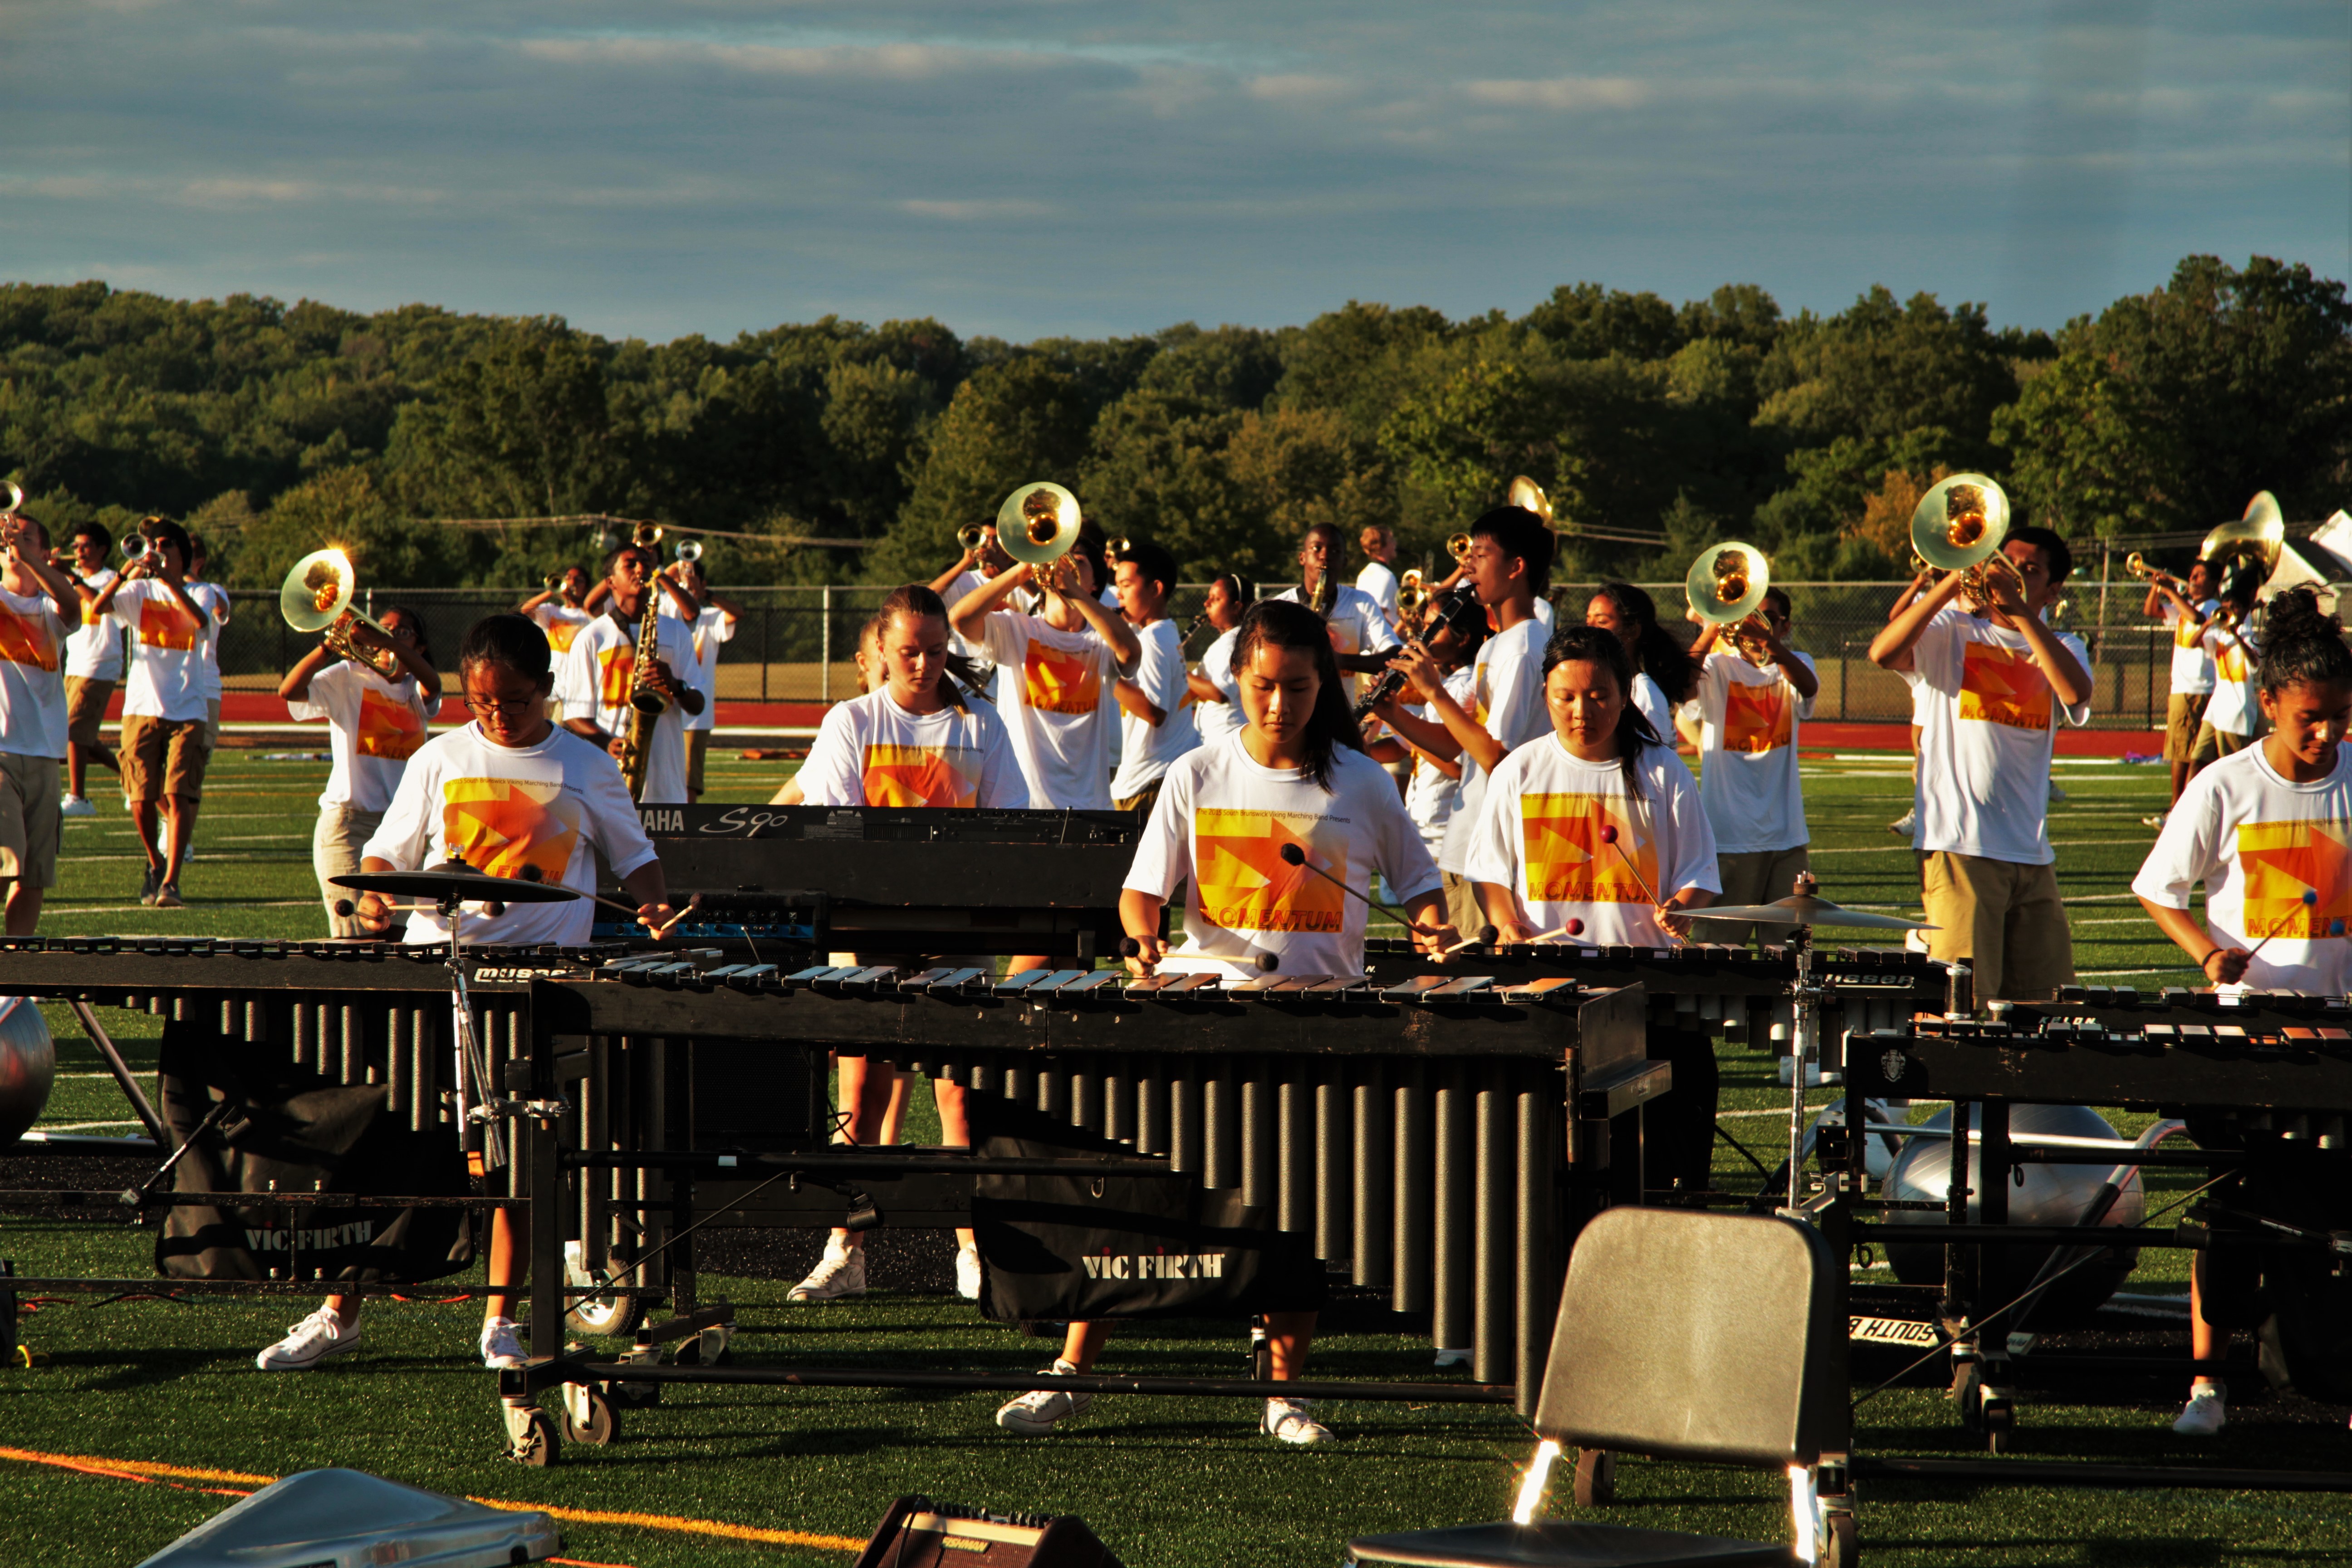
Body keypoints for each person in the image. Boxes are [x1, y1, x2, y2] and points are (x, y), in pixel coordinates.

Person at [988, 600, 1452, 1446]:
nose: (1279, 704)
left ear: (1323, 685)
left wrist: (1430, 924)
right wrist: (1143, 936)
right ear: (1237, 678)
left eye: (1299, 688)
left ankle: (1282, 1394)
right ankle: (1073, 1372)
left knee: (1299, 1213)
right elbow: (1141, 892)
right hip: (1206, 1018)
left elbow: (1420, 883)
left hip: (1319, 1028)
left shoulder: (1360, 781)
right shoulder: (1197, 772)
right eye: (1264, 685)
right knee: (1140, 1197)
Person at [255, 613, 674, 1373]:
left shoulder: (586, 766)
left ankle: (501, 1321)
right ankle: (340, 1313)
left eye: (515, 702)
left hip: (537, 992)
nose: (497, 715)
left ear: (546, 689)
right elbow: (385, 856)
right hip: (438, 980)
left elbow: (636, 858)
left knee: (519, 1160)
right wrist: (375, 897)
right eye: (482, 702)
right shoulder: (439, 757)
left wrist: (653, 906)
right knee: (390, 1146)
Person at [2130, 585, 2352, 1437]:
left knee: (2334, 1215)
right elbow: (2158, 889)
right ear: (2268, 703)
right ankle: (2206, 1385)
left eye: (2339, 717)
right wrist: (2206, 953)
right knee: (2232, 1212)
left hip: (2338, 1036)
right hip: (2250, 1041)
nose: (2325, 733)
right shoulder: (2224, 786)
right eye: (2308, 718)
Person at [784, 585, 1026, 1306]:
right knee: (859, 1102)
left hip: (959, 932)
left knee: (961, 1102)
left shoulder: (983, 724)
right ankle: (846, 1251)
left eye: (936, 650)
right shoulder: (852, 720)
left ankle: (973, 1249)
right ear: (880, 652)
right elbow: (834, 824)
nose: (923, 664)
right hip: (870, 930)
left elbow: (1010, 825)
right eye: (908, 651)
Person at [1464, 623, 1720, 1193]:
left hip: (1645, 994)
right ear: (1546, 697)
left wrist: (1681, 905)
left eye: (1600, 696)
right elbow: (1489, 873)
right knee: (1548, 1167)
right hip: (1549, 992)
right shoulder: (1519, 771)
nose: (1583, 711)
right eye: (1567, 697)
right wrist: (1507, 922)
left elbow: (1700, 874)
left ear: (1626, 694)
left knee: (1651, 1162)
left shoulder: (1662, 771)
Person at [1868, 522, 2092, 1004]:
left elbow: (2076, 694)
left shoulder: (2065, 646)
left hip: (2032, 853)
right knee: (1962, 1008)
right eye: (2006, 561)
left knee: (2048, 1004)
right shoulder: (1953, 630)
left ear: (2053, 590)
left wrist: (2020, 611)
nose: (2013, 573)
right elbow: (1883, 652)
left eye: (2030, 570)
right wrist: (1954, 577)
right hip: (1960, 847)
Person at [1369, 505, 1554, 942]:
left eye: (1481, 555)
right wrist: (1392, 712)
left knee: (1463, 975)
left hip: (1491, 847)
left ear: (1516, 567)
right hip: (1467, 841)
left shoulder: (1525, 647)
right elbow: (1458, 745)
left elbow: (1496, 757)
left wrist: (1435, 692)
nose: (1468, 567)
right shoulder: (1499, 645)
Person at [948, 528, 1140, 811]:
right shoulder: (1016, 629)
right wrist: (1022, 569)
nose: (1064, 563)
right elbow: (960, 618)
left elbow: (1131, 654)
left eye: (1079, 560)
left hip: (1090, 808)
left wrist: (1072, 589)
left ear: (1095, 584)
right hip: (1021, 805)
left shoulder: (1102, 641)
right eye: (1058, 556)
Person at [279, 607, 440, 939]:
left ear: (420, 646)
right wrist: (329, 646)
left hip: (402, 831)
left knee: (402, 938)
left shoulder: (415, 688)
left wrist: (387, 642)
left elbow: (434, 684)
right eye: (384, 628)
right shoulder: (348, 676)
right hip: (349, 827)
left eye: (402, 632)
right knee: (356, 938)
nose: (390, 635)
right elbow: (289, 691)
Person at [90, 518, 220, 909]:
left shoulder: (201, 591)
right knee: (140, 798)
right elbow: (98, 607)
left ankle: (171, 883)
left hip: (188, 707)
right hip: (141, 706)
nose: (157, 551)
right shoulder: (139, 590)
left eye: (165, 545)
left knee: (178, 794)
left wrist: (168, 580)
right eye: (152, 545)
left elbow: (200, 623)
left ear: (182, 553)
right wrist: (125, 572)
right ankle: (155, 861)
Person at [1680, 588, 1818, 943]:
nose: (1755, 623)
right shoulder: (1716, 666)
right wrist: (1712, 627)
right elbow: (1681, 686)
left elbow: (1808, 687)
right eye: (1749, 615)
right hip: (1729, 838)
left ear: (1785, 626)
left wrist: (1769, 644)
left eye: (1767, 618)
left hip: (1787, 837)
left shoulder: (1796, 662)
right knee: (1720, 949)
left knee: (1787, 948)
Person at [559, 544, 703, 805]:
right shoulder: (592, 636)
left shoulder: (677, 632)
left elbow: (698, 704)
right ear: (610, 581)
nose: (641, 569)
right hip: (610, 779)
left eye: (645, 564)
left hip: (666, 782)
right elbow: (574, 715)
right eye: (630, 565)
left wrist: (674, 684)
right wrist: (607, 742)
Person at [1363, 590, 1486, 863]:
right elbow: (1402, 748)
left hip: (1444, 829)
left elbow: (1455, 766)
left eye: (1434, 628)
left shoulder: (1465, 686)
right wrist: (1355, 749)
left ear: (1463, 639)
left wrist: (1396, 720)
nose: (1423, 636)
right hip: (1422, 824)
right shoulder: (1444, 685)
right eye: (1425, 626)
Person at [0, 515, 79, 935]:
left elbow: (73, 604)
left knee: (34, 876)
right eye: (9, 539)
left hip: (46, 756)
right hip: (2, 754)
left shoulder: (50, 610)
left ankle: (16, 969)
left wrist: (28, 558)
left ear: (45, 553)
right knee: (3, 863)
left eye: (27, 538)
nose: (14, 543)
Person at [1107, 541, 1199, 817]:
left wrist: (1102, 672)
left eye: (1126, 585)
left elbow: (1155, 712)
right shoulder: (1163, 632)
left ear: (1156, 589)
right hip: (1156, 774)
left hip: (1149, 780)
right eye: (1117, 585)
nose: (1118, 595)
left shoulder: (1153, 639)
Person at [1272, 522, 1397, 704]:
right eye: (1317, 549)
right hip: (1292, 710)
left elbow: (1395, 655)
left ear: (1344, 562)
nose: (1325, 556)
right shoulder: (1279, 606)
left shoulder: (1361, 603)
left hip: (1342, 712)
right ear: (1302, 557)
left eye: (1335, 551)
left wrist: (1338, 660)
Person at [658, 554, 741, 804]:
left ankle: (685, 827)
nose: (685, 584)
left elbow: (737, 613)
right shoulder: (665, 615)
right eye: (681, 580)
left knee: (688, 783)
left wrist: (705, 594)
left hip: (696, 715)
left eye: (692, 579)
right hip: (662, 708)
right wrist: (672, 571)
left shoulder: (710, 618)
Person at [2145, 558, 2221, 828]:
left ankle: (2176, 807)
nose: (2193, 580)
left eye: (2200, 576)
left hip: (2197, 687)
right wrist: (2157, 587)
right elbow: (2151, 611)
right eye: (2192, 575)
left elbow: (2197, 619)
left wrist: (2170, 591)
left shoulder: (2211, 608)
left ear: (2213, 583)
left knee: (2183, 751)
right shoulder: (2185, 606)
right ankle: (2181, 807)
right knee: (2183, 749)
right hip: (2183, 687)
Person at [58, 520, 122, 817]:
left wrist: (70, 577)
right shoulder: (69, 578)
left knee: (74, 731)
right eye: (76, 546)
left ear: (102, 549)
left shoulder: (113, 579)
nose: (79, 551)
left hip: (100, 663)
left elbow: (100, 604)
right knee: (78, 734)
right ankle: (131, 775)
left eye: (85, 546)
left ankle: (79, 798)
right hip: (75, 661)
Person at [1583, 581, 1696, 747]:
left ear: (1633, 631)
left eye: (1601, 622)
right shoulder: (1608, 687)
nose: (1590, 629)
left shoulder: (1644, 696)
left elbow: (1653, 761)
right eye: (1588, 621)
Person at [1882, 565, 1939, 838]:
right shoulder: (1927, 599)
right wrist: (1919, 583)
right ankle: (1921, 813)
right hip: (1929, 685)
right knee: (1924, 763)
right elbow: (1896, 619)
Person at [2189, 575, 2263, 772]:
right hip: (2216, 709)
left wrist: (2235, 634)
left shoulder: (2251, 639)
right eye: (2226, 606)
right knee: (2198, 759)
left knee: (2232, 766)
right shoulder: (2218, 635)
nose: (2230, 610)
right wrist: (2207, 624)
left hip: (2237, 711)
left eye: (2236, 607)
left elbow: (2255, 663)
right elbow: (2193, 644)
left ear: (2245, 611)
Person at [1185, 572, 1251, 751]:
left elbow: (1220, 693)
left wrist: (1179, 669)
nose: (1206, 603)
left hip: (1225, 740)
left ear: (1236, 607)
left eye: (1216, 599)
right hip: (1213, 740)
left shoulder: (1234, 641)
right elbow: (1194, 689)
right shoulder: (1224, 642)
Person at [186, 536, 230, 750]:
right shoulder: (161, 588)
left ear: (200, 561)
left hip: (205, 685)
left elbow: (221, 610)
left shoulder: (213, 589)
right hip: (172, 686)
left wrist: (184, 573)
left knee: (200, 755)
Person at [519, 567, 595, 659]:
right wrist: (552, 591)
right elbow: (526, 610)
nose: (572, 582)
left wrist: (575, 600)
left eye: (579, 580)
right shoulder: (552, 611)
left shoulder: (590, 614)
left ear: (587, 589)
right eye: (568, 578)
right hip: (553, 667)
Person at [1356, 524, 1402, 631]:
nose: (1395, 543)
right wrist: (1408, 636)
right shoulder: (1385, 576)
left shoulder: (1364, 573)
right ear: (1381, 545)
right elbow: (1377, 617)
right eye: (1391, 540)